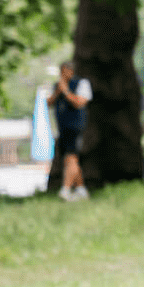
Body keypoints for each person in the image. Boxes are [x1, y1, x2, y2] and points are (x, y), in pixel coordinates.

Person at [52, 60, 92, 201]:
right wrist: (58, 91)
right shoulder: (58, 86)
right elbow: (49, 102)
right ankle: (81, 189)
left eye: (65, 71)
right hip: (62, 127)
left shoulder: (82, 84)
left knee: (71, 157)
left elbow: (79, 102)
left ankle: (65, 189)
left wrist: (66, 92)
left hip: (75, 126)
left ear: (71, 71)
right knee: (69, 159)